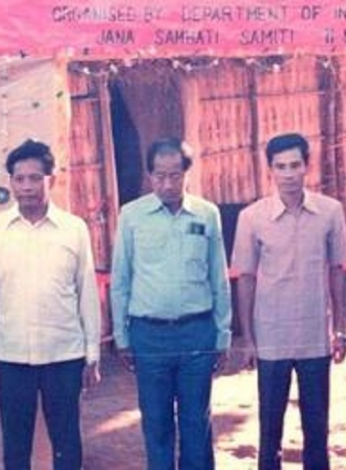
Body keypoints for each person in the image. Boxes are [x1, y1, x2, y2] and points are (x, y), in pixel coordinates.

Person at [0, 139, 101, 470]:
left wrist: (92, 356)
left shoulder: (74, 229)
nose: (27, 187)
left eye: (35, 178)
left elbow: (87, 294)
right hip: (11, 357)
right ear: (11, 182)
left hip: (65, 356)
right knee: (16, 448)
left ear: (51, 179)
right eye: (19, 179)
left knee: (67, 444)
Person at [110, 137, 232, 470]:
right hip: (149, 337)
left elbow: (219, 278)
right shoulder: (131, 216)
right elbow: (120, 281)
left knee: (196, 421)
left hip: (198, 333)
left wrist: (222, 335)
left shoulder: (207, 215)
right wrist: (122, 337)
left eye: (175, 175)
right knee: (156, 422)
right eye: (159, 176)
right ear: (149, 175)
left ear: (187, 174)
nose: (167, 184)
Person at [232, 132, 346, 470]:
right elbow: (246, 279)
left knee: (317, 427)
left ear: (306, 166)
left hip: (315, 336)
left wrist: (340, 328)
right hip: (271, 337)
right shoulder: (251, 217)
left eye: (294, 165)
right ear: (269, 170)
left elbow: (337, 271)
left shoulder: (330, 212)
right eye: (280, 166)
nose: (288, 174)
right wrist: (248, 340)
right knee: (270, 429)